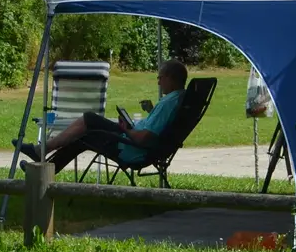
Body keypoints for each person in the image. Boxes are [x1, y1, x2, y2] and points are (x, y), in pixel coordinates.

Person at [20, 59, 188, 172]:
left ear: (171, 78)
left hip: (130, 147)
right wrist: (147, 115)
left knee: (89, 120)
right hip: (134, 144)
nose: (158, 82)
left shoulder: (169, 103)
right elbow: (160, 128)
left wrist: (126, 129)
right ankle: (42, 163)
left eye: (160, 78)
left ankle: (41, 152)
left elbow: (144, 138)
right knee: (83, 136)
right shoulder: (178, 99)